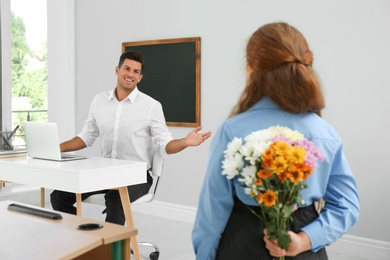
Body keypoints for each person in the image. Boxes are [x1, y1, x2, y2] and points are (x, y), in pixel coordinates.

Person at [192, 22, 360, 259]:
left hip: (242, 244)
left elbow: (212, 214)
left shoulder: (232, 131)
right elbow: (347, 206)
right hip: (303, 246)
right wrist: (303, 240)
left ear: (251, 70)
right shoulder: (325, 132)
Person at [50, 50, 211, 225]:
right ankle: (80, 238)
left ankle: (112, 250)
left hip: (137, 176)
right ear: (117, 70)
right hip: (105, 172)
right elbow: (86, 137)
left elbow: (165, 144)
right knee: (59, 195)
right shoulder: (99, 101)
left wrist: (185, 142)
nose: (130, 74)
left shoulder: (151, 106)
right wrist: (57, 148)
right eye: (127, 69)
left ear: (140, 77)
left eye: (136, 72)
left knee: (115, 197)